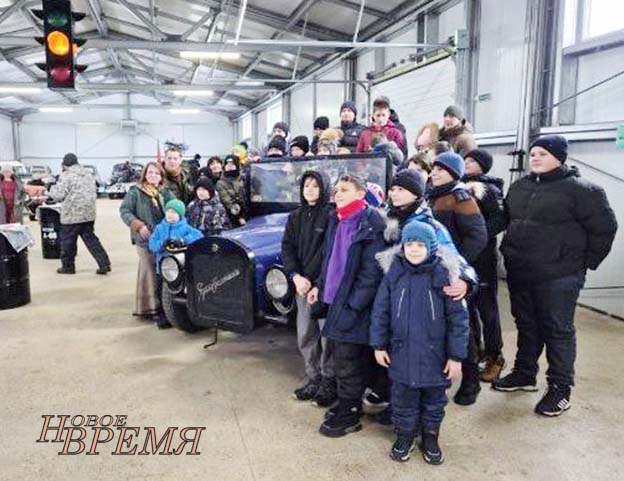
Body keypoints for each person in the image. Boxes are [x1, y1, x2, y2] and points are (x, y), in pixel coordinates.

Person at [494, 135, 617, 416]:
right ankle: (525, 373)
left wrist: (583, 263)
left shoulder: (583, 190)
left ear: (560, 157)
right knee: (526, 324)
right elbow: (505, 220)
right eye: (533, 153)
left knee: (558, 329)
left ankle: (560, 389)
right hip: (521, 270)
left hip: (560, 275)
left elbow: (605, 229)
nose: (535, 158)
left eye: (543, 153)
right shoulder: (520, 186)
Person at [370, 169, 478, 424]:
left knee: (449, 329)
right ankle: (397, 400)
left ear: (416, 194)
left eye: (402, 189)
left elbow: (453, 257)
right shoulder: (386, 218)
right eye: (393, 188)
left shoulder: (429, 225)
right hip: (395, 291)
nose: (395, 193)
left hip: (428, 294)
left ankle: (466, 383)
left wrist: (465, 280)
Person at [370, 221, 469, 465]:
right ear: (402, 247)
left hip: (435, 357)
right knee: (403, 401)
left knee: (434, 402)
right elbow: (380, 312)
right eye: (410, 244)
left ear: (432, 247)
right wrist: (379, 345)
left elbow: (459, 321)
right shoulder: (394, 275)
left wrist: (456, 357)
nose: (414, 249)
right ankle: (405, 436)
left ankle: (431, 437)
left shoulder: (445, 276)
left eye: (421, 245)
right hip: (401, 353)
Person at [307, 175, 386, 437]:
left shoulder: (372, 223)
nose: (337, 194)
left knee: (348, 360)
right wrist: (320, 286)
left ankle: (350, 414)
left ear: (361, 194)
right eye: (336, 190)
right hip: (335, 299)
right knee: (343, 357)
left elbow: (371, 274)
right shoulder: (337, 219)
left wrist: (353, 305)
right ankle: (348, 403)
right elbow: (329, 259)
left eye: (345, 190)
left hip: (353, 305)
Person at [427, 152, 488, 405]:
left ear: (454, 173)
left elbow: (478, 236)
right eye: (433, 168)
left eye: (440, 169)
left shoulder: (460, 198)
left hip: (455, 275)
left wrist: (458, 269)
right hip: (434, 273)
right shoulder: (433, 195)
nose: (434, 173)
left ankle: (471, 381)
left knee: (464, 328)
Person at [282, 170, 335, 405]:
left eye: (315, 185)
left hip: (324, 288)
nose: (310, 190)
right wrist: (295, 276)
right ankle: (313, 378)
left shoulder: (332, 216)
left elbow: (331, 254)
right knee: (305, 333)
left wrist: (318, 282)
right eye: (306, 186)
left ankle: (329, 381)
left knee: (327, 337)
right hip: (302, 286)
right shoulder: (295, 217)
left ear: (324, 188)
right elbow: (287, 249)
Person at [462, 149, 507, 382]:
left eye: (472, 161)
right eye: (466, 159)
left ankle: (494, 355)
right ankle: (475, 350)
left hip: (483, 258)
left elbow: (500, 219)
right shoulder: (458, 186)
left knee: (487, 309)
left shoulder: (490, 189)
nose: (467, 163)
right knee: (467, 307)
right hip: (464, 257)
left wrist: (477, 237)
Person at [120, 162, 175, 321]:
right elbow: (125, 211)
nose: (153, 176)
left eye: (157, 173)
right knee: (149, 271)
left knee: (162, 273)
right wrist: (138, 226)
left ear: (161, 176)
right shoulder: (135, 192)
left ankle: (164, 307)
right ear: (145, 174)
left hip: (163, 239)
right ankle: (150, 308)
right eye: (150, 172)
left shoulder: (165, 192)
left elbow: (176, 207)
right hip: (144, 240)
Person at [48, 153, 111, 275]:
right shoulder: (88, 174)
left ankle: (68, 267)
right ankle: (104, 264)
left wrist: (51, 189)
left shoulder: (66, 175)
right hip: (88, 214)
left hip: (72, 215)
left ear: (64, 164)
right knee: (91, 240)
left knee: (67, 242)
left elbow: (58, 195)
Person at [148, 199, 203, 328]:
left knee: (182, 291)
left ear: (180, 215)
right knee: (161, 291)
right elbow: (152, 244)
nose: (170, 215)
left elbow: (199, 236)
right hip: (163, 269)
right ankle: (164, 316)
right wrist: (162, 244)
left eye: (174, 212)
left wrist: (183, 240)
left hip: (180, 269)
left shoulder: (186, 228)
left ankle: (182, 314)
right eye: (168, 211)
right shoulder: (159, 228)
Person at [216, 155, 248, 227]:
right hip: (234, 217)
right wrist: (240, 216)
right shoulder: (221, 183)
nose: (229, 166)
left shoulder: (244, 179)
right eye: (227, 164)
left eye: (232, 164)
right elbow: (227, 202)